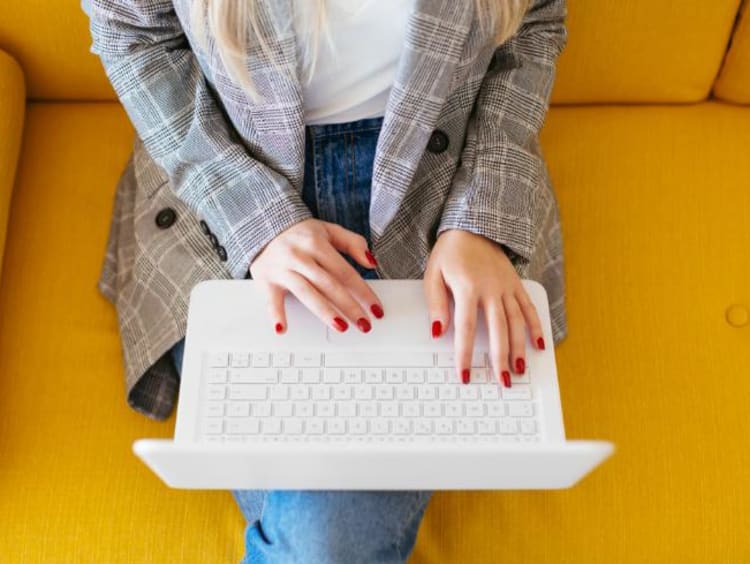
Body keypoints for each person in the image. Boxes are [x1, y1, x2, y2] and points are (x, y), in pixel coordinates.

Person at [85, 0, 568, 561]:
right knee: (323, 542)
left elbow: (534, 21)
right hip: (227, 176)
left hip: (441, 191)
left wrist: (480, 219)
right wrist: (256, 220)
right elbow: (132, 31)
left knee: (322, 540)